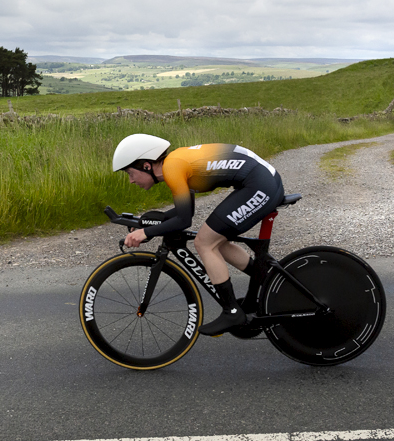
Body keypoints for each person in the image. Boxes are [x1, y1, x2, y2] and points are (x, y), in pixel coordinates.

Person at [111, 133, 285, 336]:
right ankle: (267, 278)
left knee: (204, 242)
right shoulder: (176, 163)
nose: (131, 181)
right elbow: (184, 211)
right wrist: (147, 225)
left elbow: (184, 220)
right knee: (216, 241)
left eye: (130, 173)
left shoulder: (172, 167)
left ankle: (232, 311)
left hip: (260, 185)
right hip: (262, 180)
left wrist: (146, 232)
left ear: (146, 165)